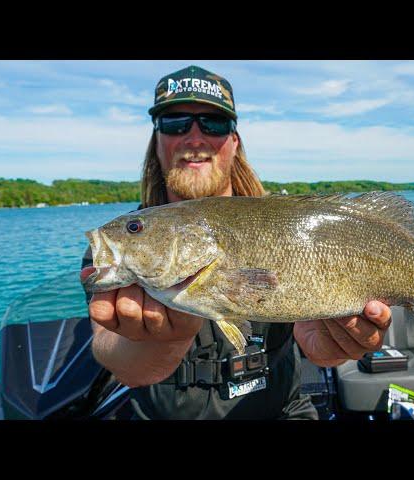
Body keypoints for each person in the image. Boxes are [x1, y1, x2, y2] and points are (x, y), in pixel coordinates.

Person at [80, 65, 392, 419]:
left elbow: (314, 340)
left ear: (234, 141)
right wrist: (165, 342)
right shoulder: (120, 246)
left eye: (213, 123)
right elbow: (122, 362)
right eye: (174, 123)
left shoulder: (285, 225)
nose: (194, 138)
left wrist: (327, 344)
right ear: (157, 140)